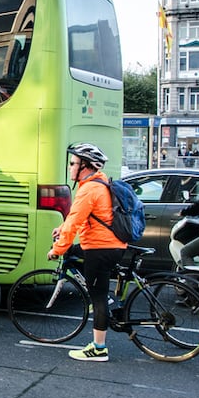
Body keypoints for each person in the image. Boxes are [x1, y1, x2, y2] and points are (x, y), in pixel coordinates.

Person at [47, 143, 128, 362]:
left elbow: (74, 223)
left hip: (100, 249)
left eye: (73, 163)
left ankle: (98, 348)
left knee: (98, 296)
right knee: (75, 253)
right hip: (110, 244)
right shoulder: (100, 183)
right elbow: (80, 219)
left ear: (85, 166)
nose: (70, 167)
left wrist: (56, 250)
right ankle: (106, 302)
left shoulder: (89, 190)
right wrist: (62, 229)